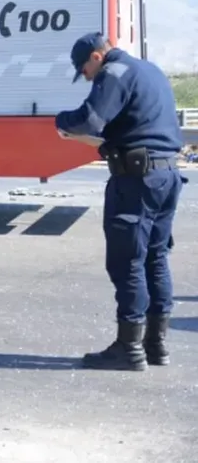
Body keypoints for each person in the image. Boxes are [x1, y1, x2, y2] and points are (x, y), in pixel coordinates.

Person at [55, 32, 184, 371]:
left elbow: (89, 120)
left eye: (83, 69)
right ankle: (156, 346)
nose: (85, 76)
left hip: (136, 179)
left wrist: (60, 121)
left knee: (127, 261)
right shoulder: (150, 70)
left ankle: (129, 349)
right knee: (156, 258)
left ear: (96, 57)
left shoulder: (113, 73)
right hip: (166, 175)